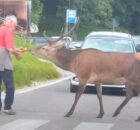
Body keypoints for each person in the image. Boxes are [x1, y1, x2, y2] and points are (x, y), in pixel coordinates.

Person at [0, 15, 25, 115]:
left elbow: (5, 45)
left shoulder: (1, 29)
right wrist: (18, 53)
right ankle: (7, 107)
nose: (14, 27)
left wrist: (17, 48)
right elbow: (10, 49)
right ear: (10, 22)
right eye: (14, 25)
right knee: (10, 86)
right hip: (4, 63)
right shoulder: (8, 31)